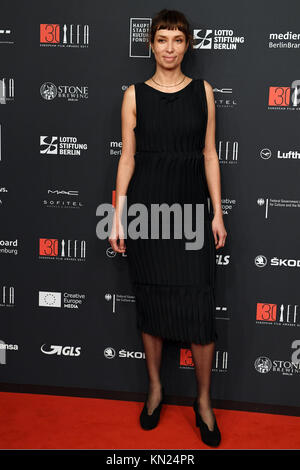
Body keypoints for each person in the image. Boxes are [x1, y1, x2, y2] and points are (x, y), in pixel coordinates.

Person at [109, 9, 227, 447]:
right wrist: (118, 214)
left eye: (178, 39)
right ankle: (156, 388)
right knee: (152, 303)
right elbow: (126, 157)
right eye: (163, 39)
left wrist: (217, 212)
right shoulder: (134, 95)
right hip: (148, 214)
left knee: (199, 307)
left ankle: (203, 402)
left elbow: (210, 154)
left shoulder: (204, 93)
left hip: (193, 213)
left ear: (188, 45)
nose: (171, 48)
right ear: (151, 44)